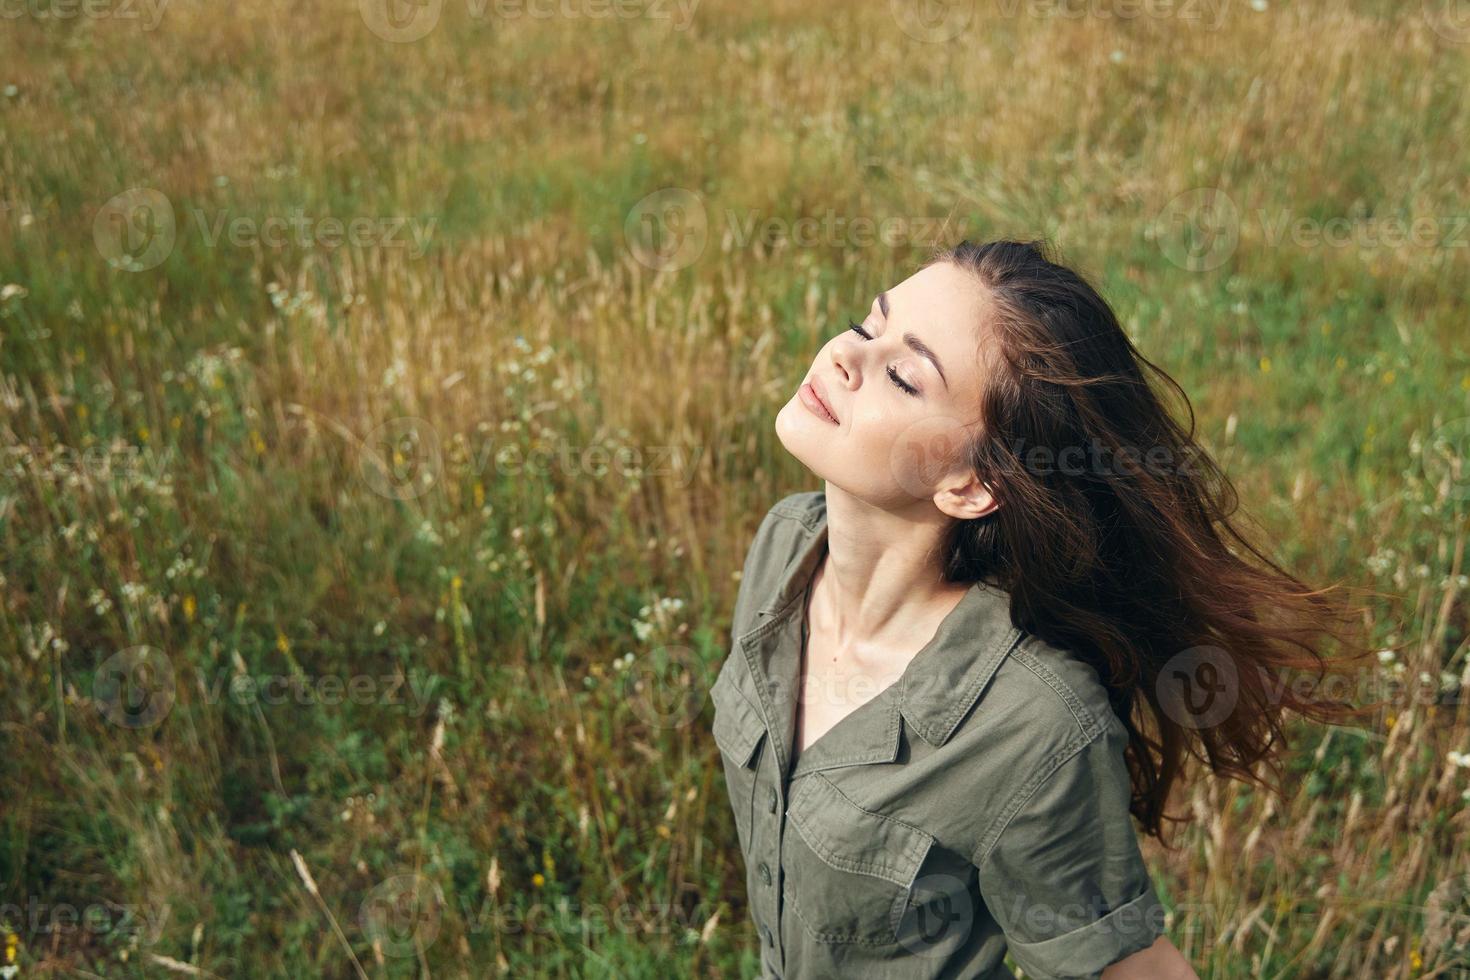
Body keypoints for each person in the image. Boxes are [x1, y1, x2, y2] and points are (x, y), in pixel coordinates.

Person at [709, 239, 1369, 979]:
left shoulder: (1033, 722)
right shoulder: (783, 550)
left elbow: (1130, 969)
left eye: (901, 375)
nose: (843, 356)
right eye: (869, 326)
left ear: (969, 484)